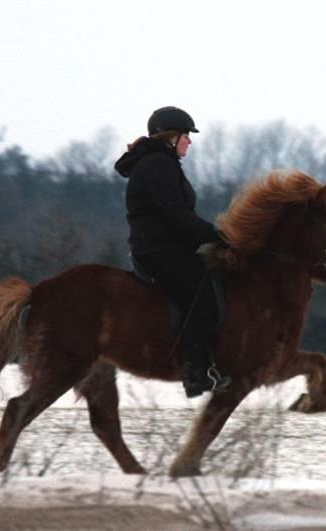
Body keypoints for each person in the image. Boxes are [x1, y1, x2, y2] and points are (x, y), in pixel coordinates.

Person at [114, 106, 232, 398]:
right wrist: (215, 235)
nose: (189, 142)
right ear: (172, 137)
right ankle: (195, 372)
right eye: (186, 136)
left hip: (165, 248)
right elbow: (177, 215)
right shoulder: (157, 165)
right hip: (159, 252)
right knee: (201, 293)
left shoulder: (161, 162)